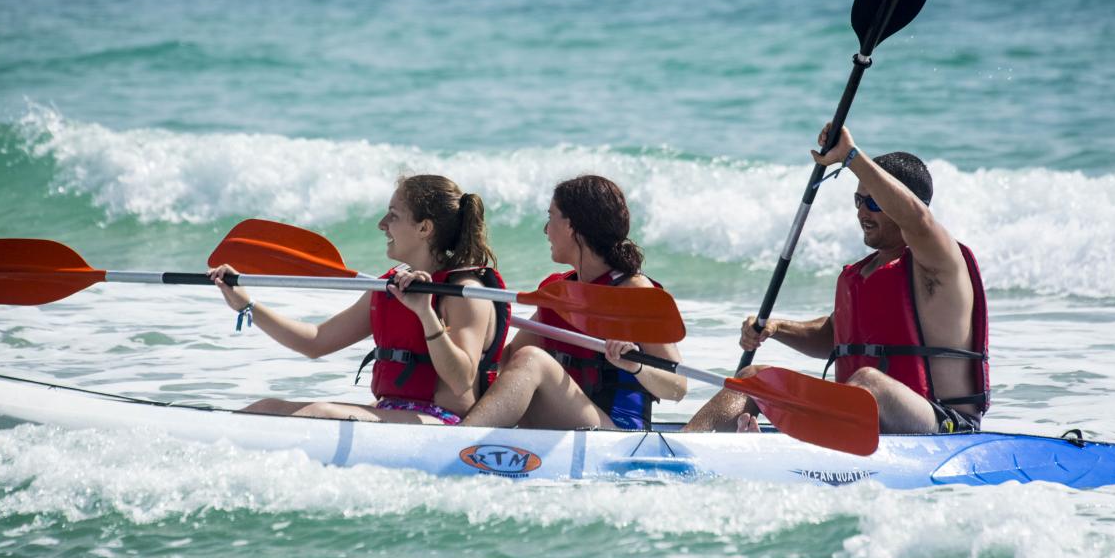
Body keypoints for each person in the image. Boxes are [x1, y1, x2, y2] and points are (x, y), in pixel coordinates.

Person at [685, 123, 989, 435]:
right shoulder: (864, 272)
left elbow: (918, 219)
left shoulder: (939, 263)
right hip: (860, 419)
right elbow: (835, 335)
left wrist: (851, 156)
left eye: (873, 202)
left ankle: (798, 441)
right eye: (858, 201)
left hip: (943, 424)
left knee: (868, 381)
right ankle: (685, 448)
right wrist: (777, 328)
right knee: (755, 378)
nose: (862, 213)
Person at [209, 174, 508, 425]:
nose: (382, 224)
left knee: (320, 414)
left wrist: (425, 313)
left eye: (394, 215)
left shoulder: (465, 292)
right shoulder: (390, 286)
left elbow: (461, 379)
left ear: (424, 228)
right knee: (267, 408)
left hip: (443, 424)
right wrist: (247, 306)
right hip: (392, 412)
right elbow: (315, 341)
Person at [461, 174, 686, 431]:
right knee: (522, 359)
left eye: (551, 217)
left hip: (619, 432)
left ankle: (457, 443)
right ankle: (456, 433)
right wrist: (464, 322)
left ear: (573, 226)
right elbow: (507, 360)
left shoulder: (633, 291)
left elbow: (677, 387)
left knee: (532, 359)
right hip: (569, 421)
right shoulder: (561, 291)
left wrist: (635, 365)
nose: (546, 230)